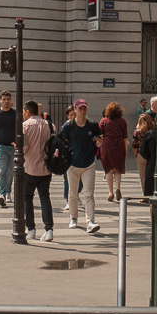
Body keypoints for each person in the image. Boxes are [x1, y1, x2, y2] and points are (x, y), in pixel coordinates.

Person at [61, 98, 103, 233]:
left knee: (89, 194)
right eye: (80, 108)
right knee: (73, 194)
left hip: (88, 164)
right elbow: (61, 141)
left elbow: (100, 142)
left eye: (84, 108)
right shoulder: (69, 126)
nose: (82, 111)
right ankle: (73, 218)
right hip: (72, 164)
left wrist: (98, 142)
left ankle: (90, 221)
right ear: (75, 109)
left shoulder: (93, 125)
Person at [22, 100, 54, 241]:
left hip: (30, 167)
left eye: (24, 112)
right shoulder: (50, 125)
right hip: (46, 167)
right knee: (45, 197)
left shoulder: (25, 126)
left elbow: (23, 148)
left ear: (27, 112)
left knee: (27, 198)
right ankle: (48, 229)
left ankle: (31, 228)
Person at [99, 102, 128, 201]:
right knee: (118, 169)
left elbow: (99, 134)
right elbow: (125, 137)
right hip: (119, 144)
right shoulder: (122, 121)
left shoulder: (104, 121)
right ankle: (118, 188)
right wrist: (125, 150)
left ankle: (110, 192)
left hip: (107, 145)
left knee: (108, 170)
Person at [132, 113, 154, 201]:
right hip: (151, 155)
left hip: (141, 154)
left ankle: (146, 195)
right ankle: (152, 193)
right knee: (151, 174)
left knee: (143, 176)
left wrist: (136, 155)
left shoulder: (137, 132)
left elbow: (135, 145)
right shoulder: (152, 130)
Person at [139, 121, 157, 199]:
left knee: (152, 197)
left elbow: (143, 153)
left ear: (156, 121)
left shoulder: (149, 134)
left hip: (152, 167)